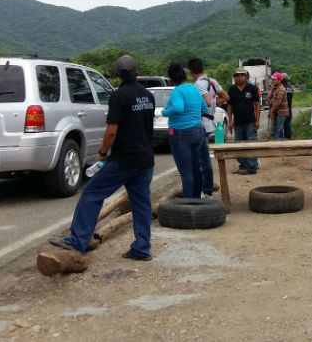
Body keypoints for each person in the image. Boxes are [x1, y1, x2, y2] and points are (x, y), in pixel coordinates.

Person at [50, 55, 156, 261]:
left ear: (117, 74)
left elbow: (111, 132)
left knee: (91, 193)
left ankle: (78, 241)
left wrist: (102, 153)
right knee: (141, 203)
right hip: (145, 159)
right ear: (136, 72)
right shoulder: (147, 96)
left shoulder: (119, 97)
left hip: (124, 159)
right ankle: (142, 249)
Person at [162, 62, 211, 199]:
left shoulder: (177, 91)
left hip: (180, 133)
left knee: (185, 171)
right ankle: (197, 198)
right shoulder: (193, 88)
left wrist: (166, 112)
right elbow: (204, 109)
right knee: (196, 168)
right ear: (185, 75)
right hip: (197, 131)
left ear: (171, 79)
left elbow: (178, 108)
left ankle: (188, 202)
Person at [187, 58, 228, 198]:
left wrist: (210, 103)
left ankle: (205, 190)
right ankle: (207, 189)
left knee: (201, 159)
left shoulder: (198, 84)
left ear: (191, 71)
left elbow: (207, 101)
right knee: (204, 158)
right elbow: (226, 97)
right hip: (210, 122)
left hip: (201, 123)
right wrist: (216, 102)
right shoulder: (212, 81)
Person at [226, 68, 260, 175]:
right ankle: (243, 165)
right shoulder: (231, 89)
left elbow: (257, 105)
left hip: (250, 121)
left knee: (251, 143)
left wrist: (257, 120)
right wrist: (230, 121)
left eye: (241, 75)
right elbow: (230, 106)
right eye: (236, 75)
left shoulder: (252, 88)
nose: (239, 77)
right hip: (238, 122)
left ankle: (252, 166)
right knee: (239, 145)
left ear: (246, 77)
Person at [268, 71, 290, 140]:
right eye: (272, 79)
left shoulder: (280, 89)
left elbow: (278, 102)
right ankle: (281, 144)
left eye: (274, 80)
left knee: (277, 131)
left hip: (282, 112)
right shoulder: (276, 88)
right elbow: (272, 99)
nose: (272, 81)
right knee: (279, 130)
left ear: (279, 80)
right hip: (278, 112)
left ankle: (276, 145)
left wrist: (271, 110)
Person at [282, 73, 294, 139]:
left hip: (283, 110)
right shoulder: (290, 87)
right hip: (289, 109)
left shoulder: (282, 88)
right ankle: (288, 140)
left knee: (281, 127)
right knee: (287, 126)